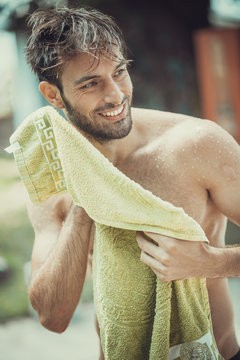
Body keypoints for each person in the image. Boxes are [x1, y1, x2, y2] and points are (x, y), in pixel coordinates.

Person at [24, 6, 240, 360]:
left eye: (119, 72)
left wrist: (208, 262)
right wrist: (87, 197)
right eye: (91, 83)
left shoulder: (197, 144)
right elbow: (52, 316)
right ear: (52, 95)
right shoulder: (54, 173)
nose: (116, 95)